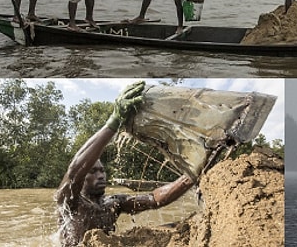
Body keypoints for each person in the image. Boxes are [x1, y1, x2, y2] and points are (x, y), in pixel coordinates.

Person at [55, 81, 194, 247]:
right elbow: (74, 171)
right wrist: (113, 122)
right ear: (82, 178)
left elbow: (154, 198)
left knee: (174, 227)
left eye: (102, 171)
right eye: (92, 172)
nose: (100, 176)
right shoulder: (70, 202)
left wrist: (191, 175)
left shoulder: (113, 204)